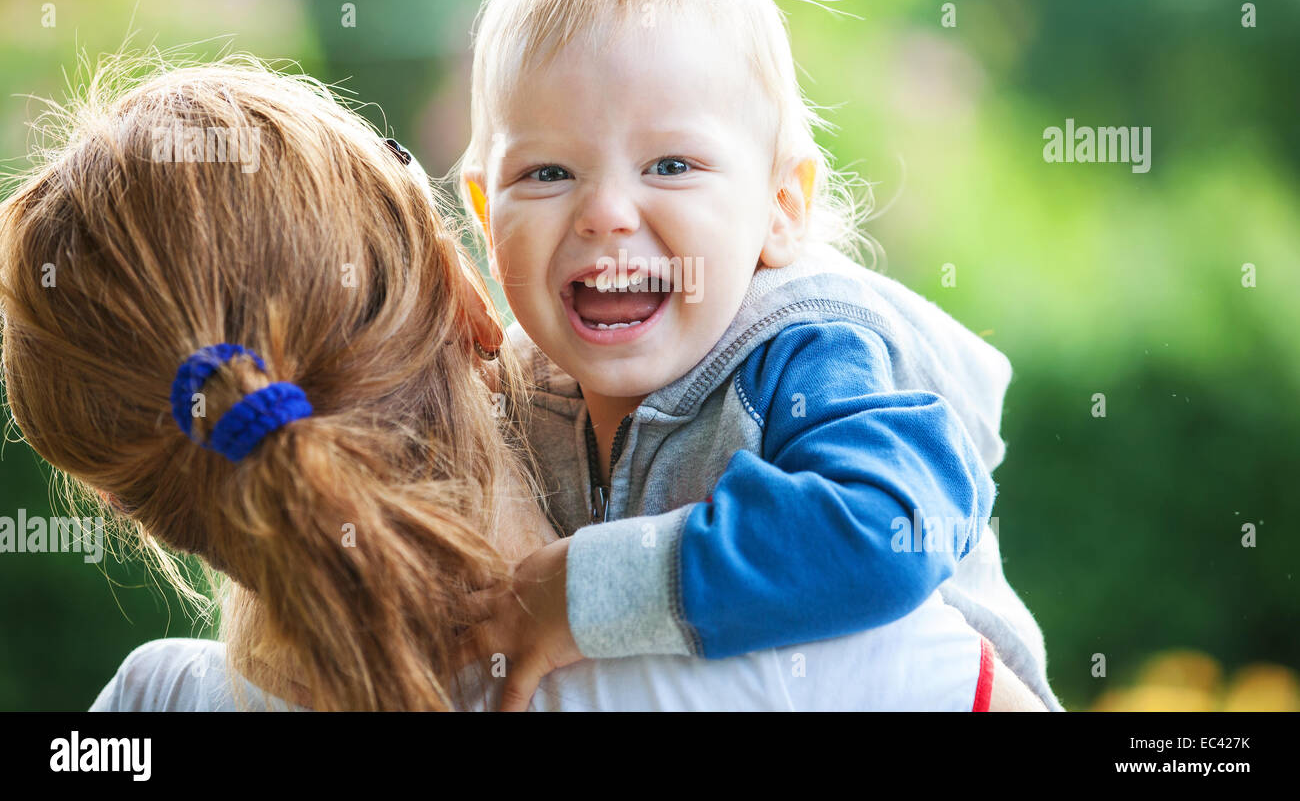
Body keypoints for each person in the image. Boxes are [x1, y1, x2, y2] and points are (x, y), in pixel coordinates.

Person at [1, 55, 1041, 710]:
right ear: (466, 292)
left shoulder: (147, 702)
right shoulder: (822, 644)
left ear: (127, 492)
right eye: (546, 175)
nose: (605, 216)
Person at [455, 0, 1063, 711]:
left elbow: (881, 528)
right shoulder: (517, 398)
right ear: (483, 212)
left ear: (781, 206)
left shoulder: (805, 352)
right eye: (547, 173)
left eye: (670, 164)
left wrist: (584, 590)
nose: (605, 212)